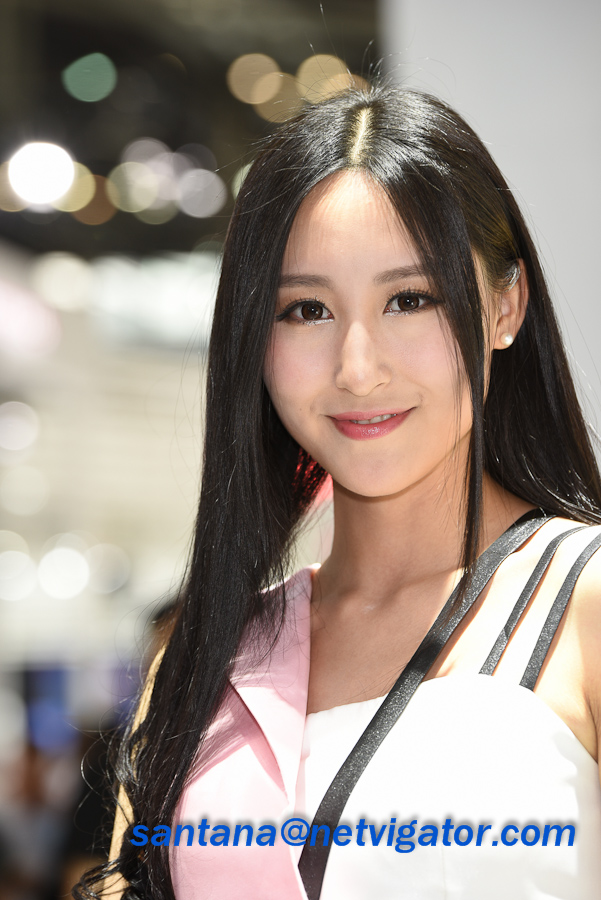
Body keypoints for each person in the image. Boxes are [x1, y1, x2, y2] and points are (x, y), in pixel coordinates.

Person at [76, 81, 601, 900]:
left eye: (410, 299)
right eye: (305, 310)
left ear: (505, 306)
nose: (357, 368)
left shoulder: (581, 602)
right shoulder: (205, 657)